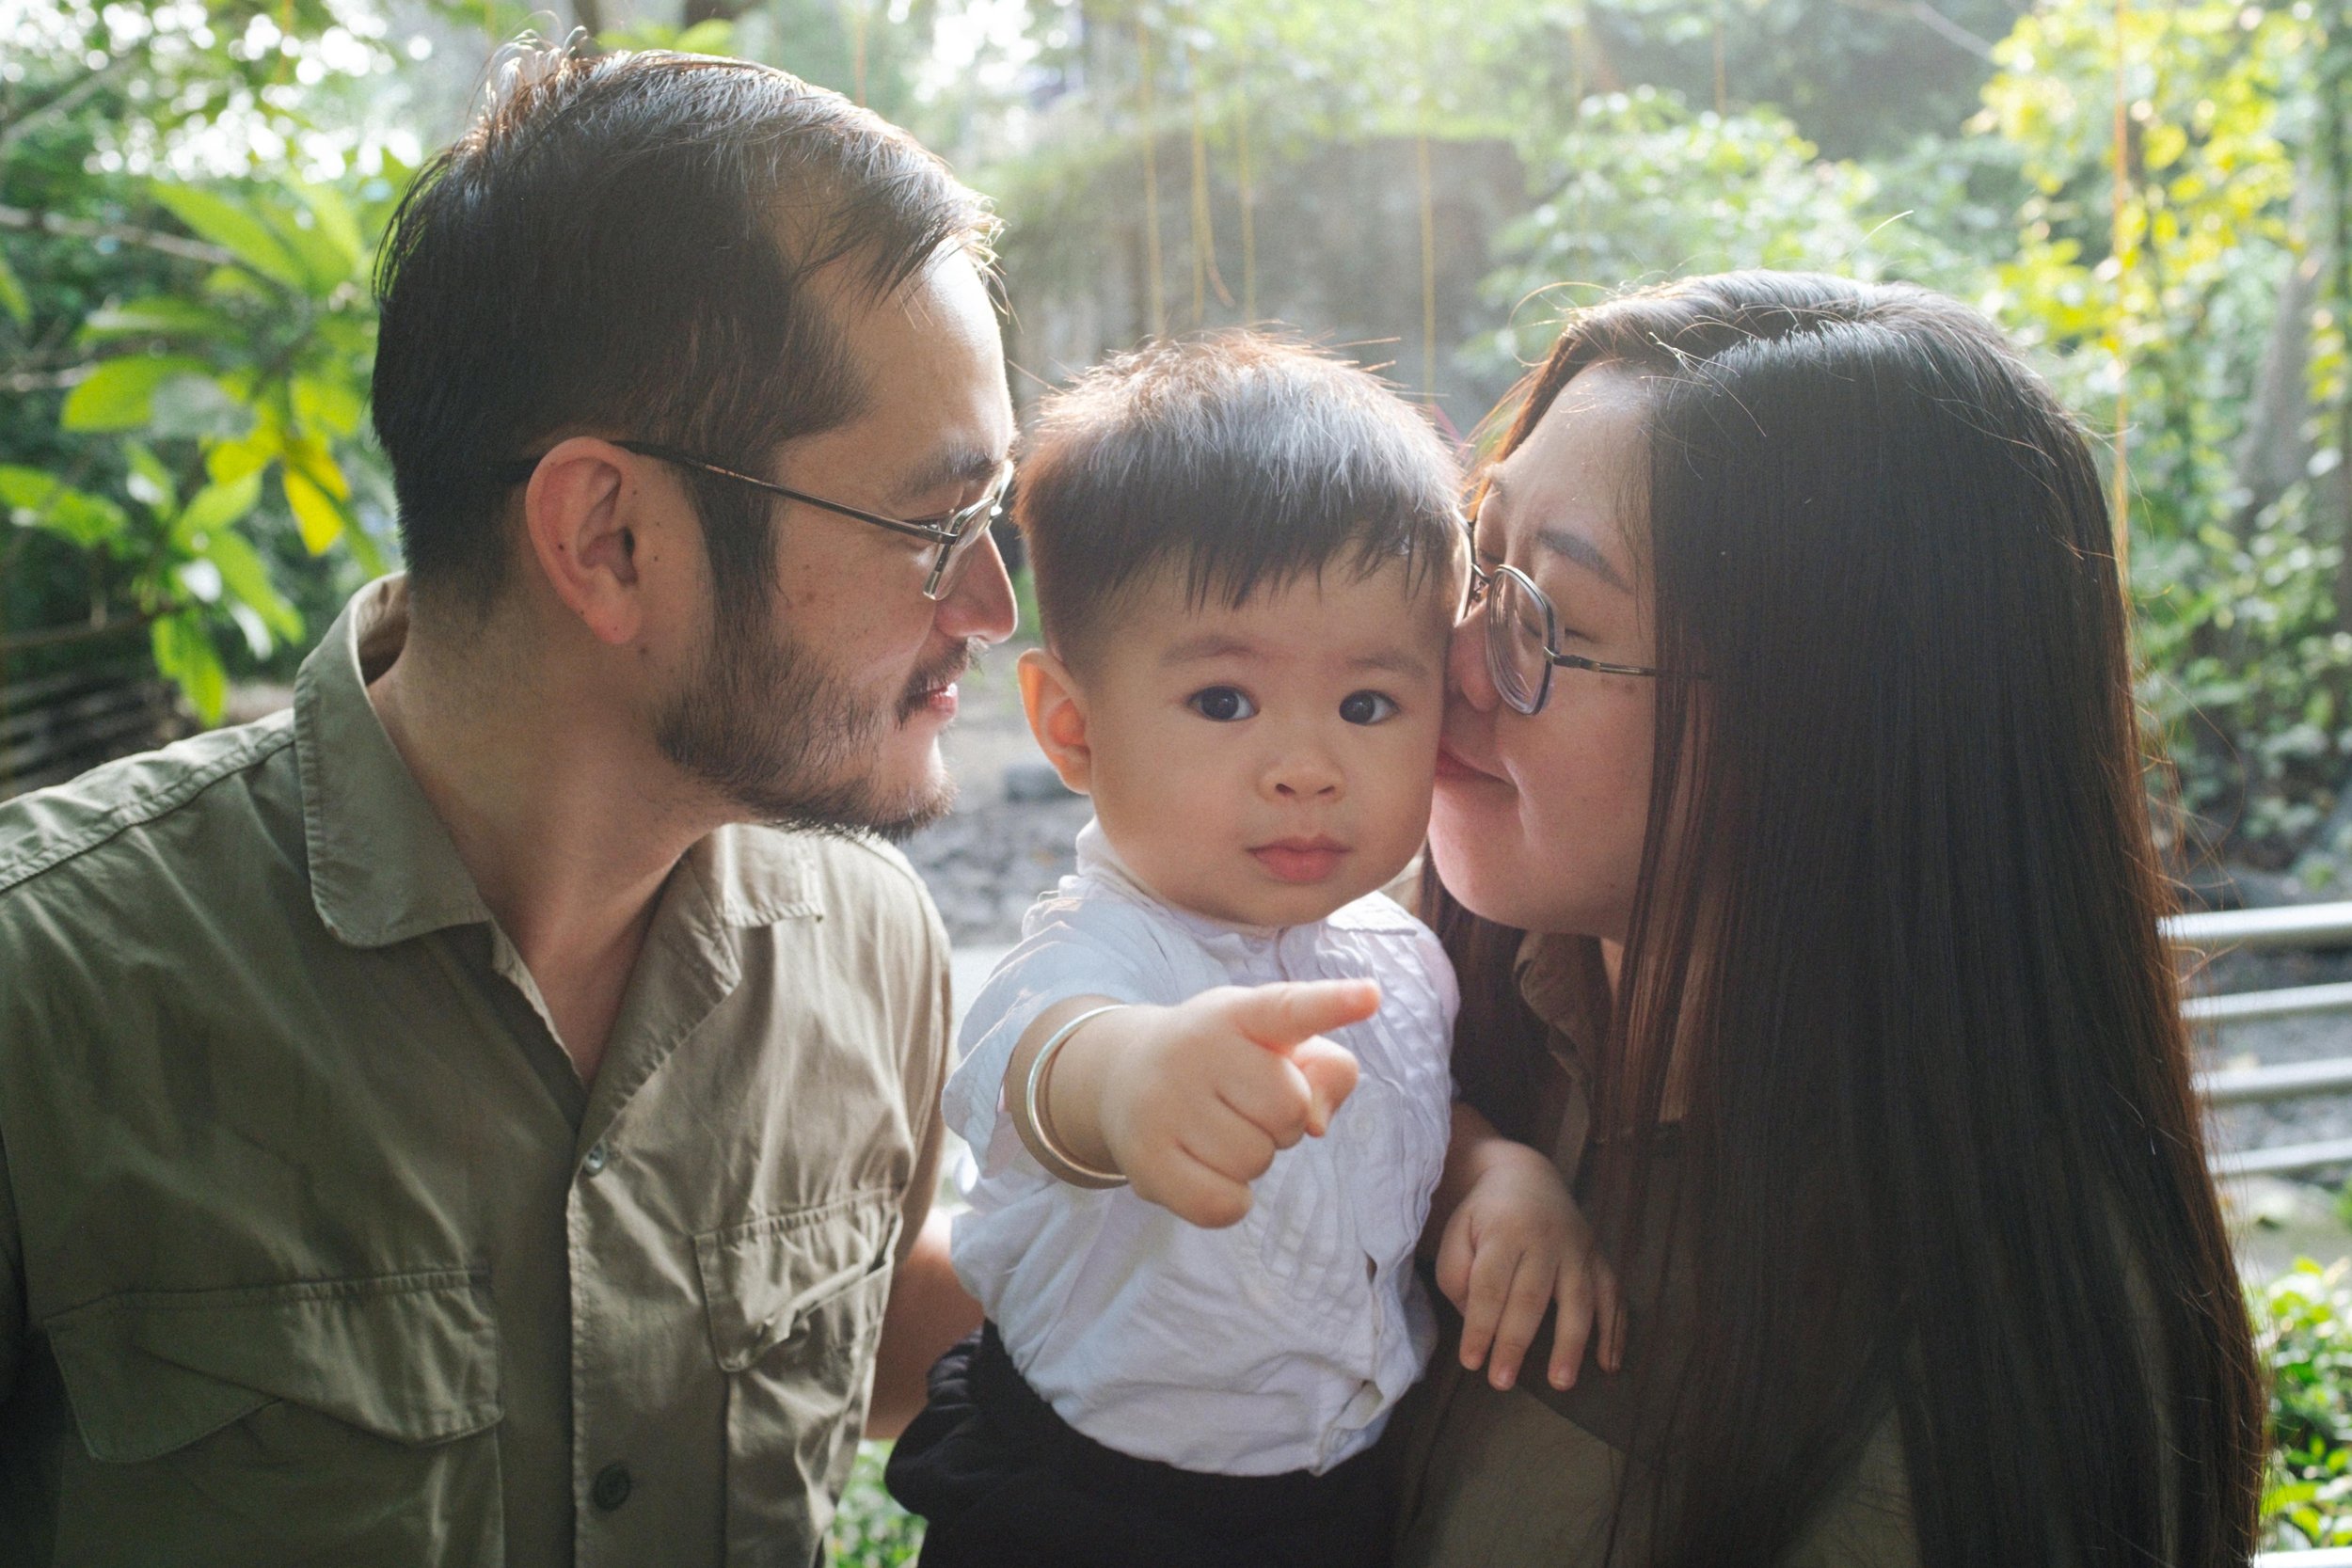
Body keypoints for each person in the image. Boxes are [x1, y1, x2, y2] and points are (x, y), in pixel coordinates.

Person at [0, 45, 1011, 1567]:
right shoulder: (49, 999)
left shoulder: (872, 946)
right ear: (608, 538)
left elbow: (867, 1350)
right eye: (935, 527)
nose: (994, 607)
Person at [1388, 272, 2267, 1565]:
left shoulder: (1986, 1363)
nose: (1455, 662)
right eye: (1476, 564)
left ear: (1827, 725)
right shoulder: (1459, 1012)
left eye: (1549, 623)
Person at [884, 335, 1617, 1567]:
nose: (1305, 765)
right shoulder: (1105, 960)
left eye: (1368, 705)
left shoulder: (1398, 957)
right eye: (1225, 702)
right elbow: (1046, 1067)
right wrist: (1133, 1082)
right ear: (1073, 726)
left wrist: (1494, 1177)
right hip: (1085, 1509)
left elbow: (1402, 1120)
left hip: (1332, 1496)